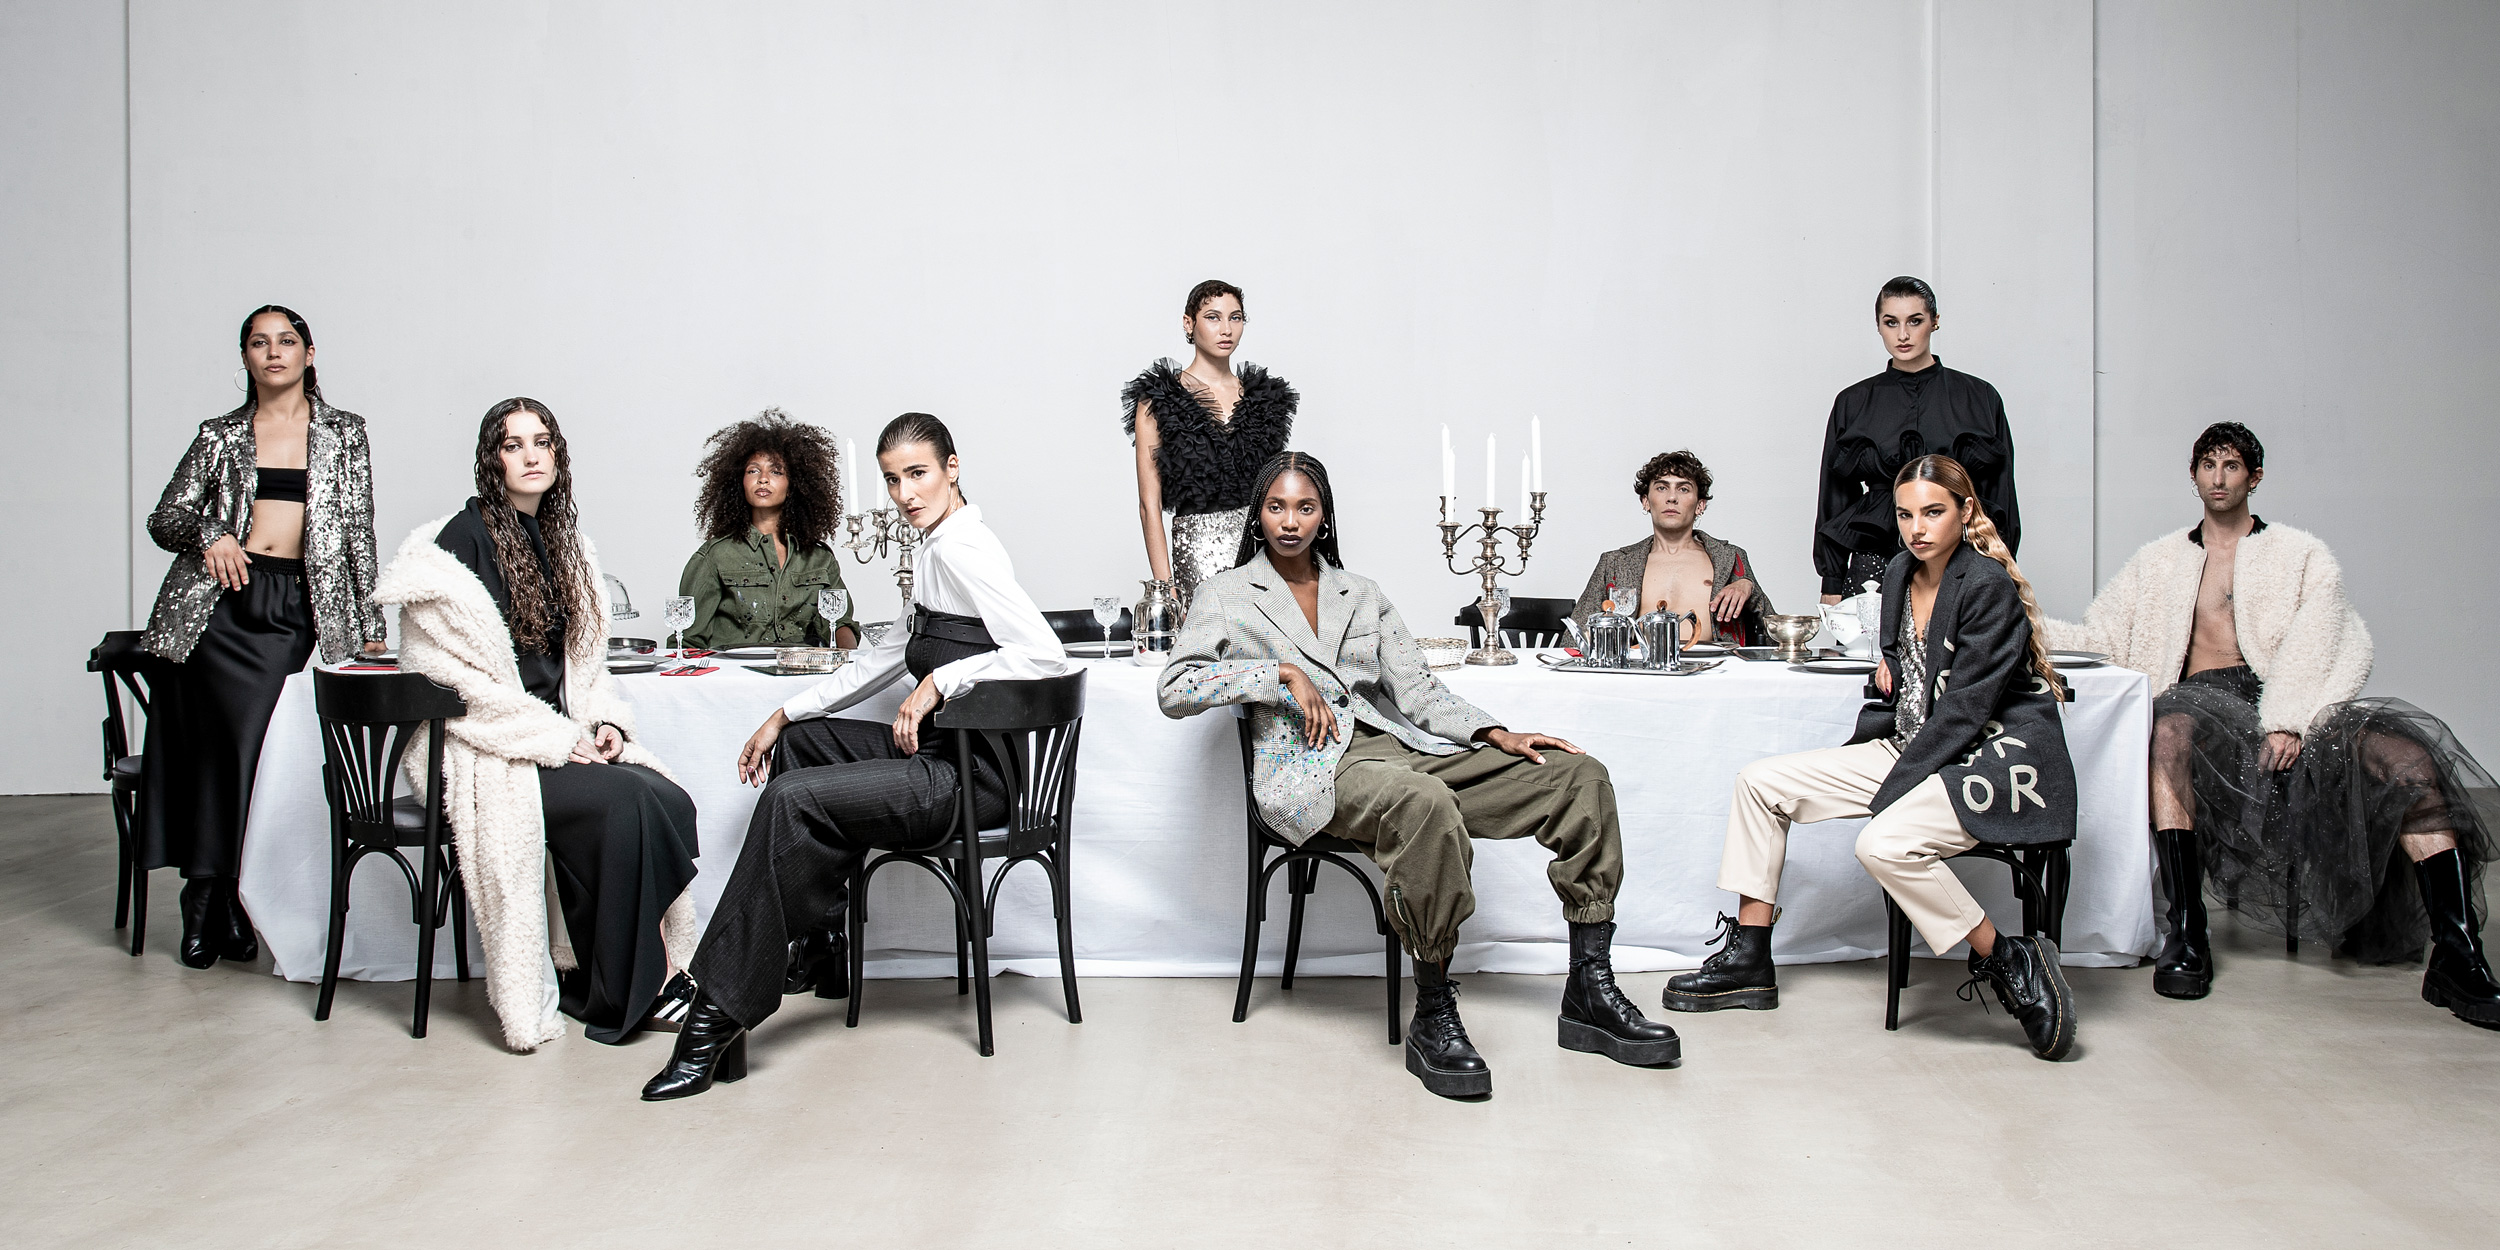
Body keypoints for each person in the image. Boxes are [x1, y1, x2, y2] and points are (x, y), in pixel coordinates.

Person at [1157, 451, 1679, 1098]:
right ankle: (1433, 1012)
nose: (1290, 522)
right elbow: (1176, 688)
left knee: (1578, 776)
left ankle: (1590, 990)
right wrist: (1278, 674)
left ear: (1324, 517)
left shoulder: (1361, 594)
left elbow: (1420, 692)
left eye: (1305, 507)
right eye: (1276, 507)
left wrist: (1496, 733)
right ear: (1259, 516)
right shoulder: (1227, 594)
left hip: (1402, 752)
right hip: (1315, 770)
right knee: (1423, 800)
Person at [645, 412, 1073, 1100]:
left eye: (918, 474)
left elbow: (1044, 654)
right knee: (803, 744)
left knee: (791, 799)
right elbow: (882, 658)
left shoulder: (966, 549)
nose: (905, 494)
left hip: (969, 779)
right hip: (940, 756)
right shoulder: (935, 547)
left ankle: (714, 1013)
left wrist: (942, 681)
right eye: (893, 479)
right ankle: (818, 944)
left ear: (953, 468)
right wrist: (785, 714)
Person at [2052, 422, 2499, 1025]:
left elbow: (2327, 637)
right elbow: (2102, 636)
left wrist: (2288, 717)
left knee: (2409, 760)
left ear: (2254, 477)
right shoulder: (2158, 561)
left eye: (2232, 466)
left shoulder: (2299, 554)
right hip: (2197, 699)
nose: (2218, 477)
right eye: (2208, 465)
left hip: (2288, 695)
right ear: (2193, 475)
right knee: (2167, 733)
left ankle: (2458, 954)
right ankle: (2187, 931)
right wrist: (2019, 619)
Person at [1666, 454, 2079, 1061]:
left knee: (1881, 843)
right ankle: (1751, 959)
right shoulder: (1899, 573)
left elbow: (1965, 713)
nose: (1917, 528)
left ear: (1966, 511)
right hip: (1914, 745)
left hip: (1982, 756)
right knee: (1760, 782)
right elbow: (1904, 665)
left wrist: (1893, 790)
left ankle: (2009, 958)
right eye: (1906, 515)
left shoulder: (1986, 586)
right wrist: (1891, 668)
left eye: (1933, 512)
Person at [372, 398, 701, 1051]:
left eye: (541, 442)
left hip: (561, 738)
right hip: (493, 748)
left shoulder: (565, 546)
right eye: (512, 444)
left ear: (558, 455)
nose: (530, 456)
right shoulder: (457, 546)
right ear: (491, 459)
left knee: (666, 797)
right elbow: (449, 681)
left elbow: (584, 670)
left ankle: (600, 977)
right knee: (628, 801)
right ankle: (646, 987)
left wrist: (602, 723)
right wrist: (551, 738)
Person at [139, 305, 386, 969]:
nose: (273, 352)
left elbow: (358, 531)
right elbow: (165, 517)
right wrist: (211, 534)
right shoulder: (220, 435)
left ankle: (229, 895)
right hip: (218, 610)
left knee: (259, 756)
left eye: (286, 340)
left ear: (309, 353)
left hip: (294, 609)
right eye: (259, 342)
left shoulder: (344, 433)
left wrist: (369, 628)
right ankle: (207, 898)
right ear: (246, 357)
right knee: (222, 758)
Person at [1814, 276, 2020, 605]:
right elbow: (1835, 496)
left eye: (1915, 321)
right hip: (1874, 559)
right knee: (1872, 641)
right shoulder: (1853, 402)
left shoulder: (1979, 397)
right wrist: (1832, 580)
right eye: (1891, 322)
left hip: (1963, 557)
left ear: (1935, 322)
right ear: (1878, 326)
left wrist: (2002, 567)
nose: (1903, 335)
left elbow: (2000, 493)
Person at [1123, 278, 1298, 617]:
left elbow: (1277, 498)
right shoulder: (1159, 400)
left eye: (1236, 318)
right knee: (1207, 643)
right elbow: (1149, 504)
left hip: (1262, 557)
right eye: (1213, 317)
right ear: (1189, 323)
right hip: (1198, 552)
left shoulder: (1266, 399)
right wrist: (1165, 588)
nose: (1226, 329)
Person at [679, 408, 859, 650]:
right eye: (753, 470)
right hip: (734, 673)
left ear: (794, 485)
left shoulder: (819, 558)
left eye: (776, 471)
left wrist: (848, 660)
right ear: (739, 482)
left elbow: (840, 624)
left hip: (801, 670)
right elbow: (687, 640)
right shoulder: (715, 556)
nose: (763, 479)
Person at [1570, 449, 1776, 646]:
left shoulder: (1730, 557)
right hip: (1639, 668)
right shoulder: (1615, 562)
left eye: (1683, 489)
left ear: (1700, 505)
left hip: (1714, 668)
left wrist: (1749, 587)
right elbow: (1574, 638)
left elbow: (1774, 637)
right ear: (1645, 501)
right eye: (1661, 487)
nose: (1671, 497)